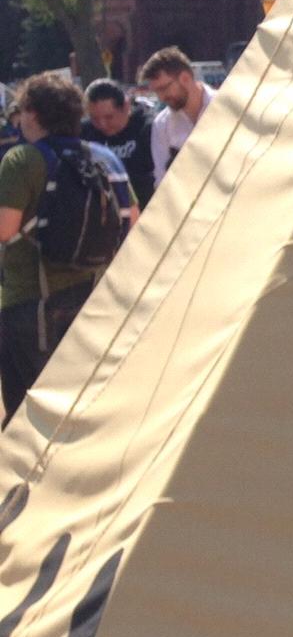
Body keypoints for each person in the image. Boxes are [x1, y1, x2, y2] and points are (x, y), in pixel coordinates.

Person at [0, 71, 133, 421]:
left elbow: (4, 229)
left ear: (33, 114)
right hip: (94, 301)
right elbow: (131, 218)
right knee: (83, 409)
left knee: (27, 417)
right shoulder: (105, 158)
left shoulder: (21, 160)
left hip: (31, 302)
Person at [82, 79, 159, 207]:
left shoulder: (148, 129)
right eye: (95, 118)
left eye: (109, 117)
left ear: (126, 106)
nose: (102, 124)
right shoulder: (86, 133)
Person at [140, 46, 211, 180]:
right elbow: (162, 179)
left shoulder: (226, 105)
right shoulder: (162, 124)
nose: (161, 97)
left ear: (185, 78)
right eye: (156, 92)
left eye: (164, 88)